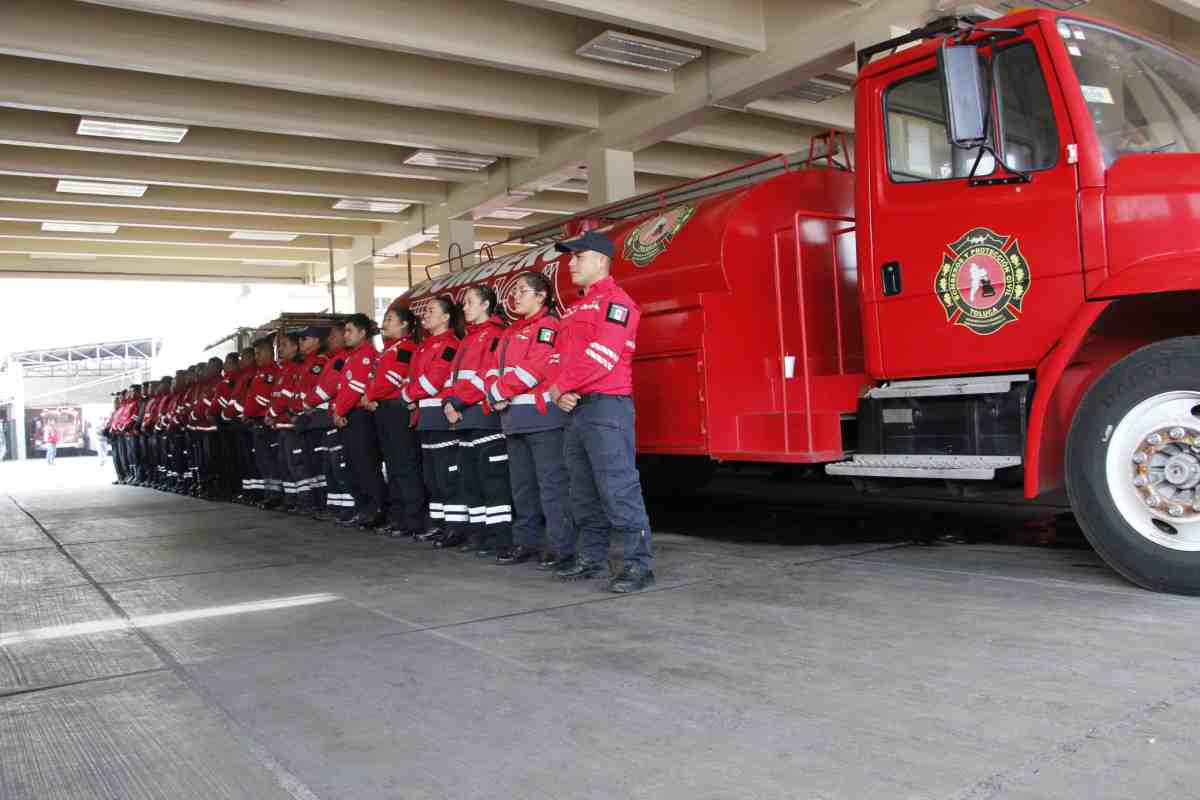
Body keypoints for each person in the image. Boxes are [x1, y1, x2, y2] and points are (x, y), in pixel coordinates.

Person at [547, 230, 655, 593]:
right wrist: (557, 391)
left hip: (607, 408)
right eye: (570, 257)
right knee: (583, 490)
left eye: (578, 256)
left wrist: (563, 387)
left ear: (600, 260)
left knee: (618, 488)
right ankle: (593, 560)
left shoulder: (617, 303)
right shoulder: (577, 307)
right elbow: (561, 358)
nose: (571, 263)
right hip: (577, 410)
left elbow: (602, 357)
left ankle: (638, 565)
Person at [485, 271, 574, 569]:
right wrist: (493, 390)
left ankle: (562, 548)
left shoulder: (548, 326)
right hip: (513, 419)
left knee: (552, 487)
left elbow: (536, 367)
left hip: (544, 419)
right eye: (515, 292)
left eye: (523, 291)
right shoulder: (510, 332)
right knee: (522, 487)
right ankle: (526, 543)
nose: (516, 297)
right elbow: (492, 367)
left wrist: (499, 390)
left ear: (541, 296)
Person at [438, 285, 511, 555]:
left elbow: (486, 376)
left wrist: (455, 402)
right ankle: (478, 535)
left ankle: (499, 539)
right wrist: (448, 402)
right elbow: (451, 379)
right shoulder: (468, 339)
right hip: (462, 419)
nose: (464, 308)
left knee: (492, 482)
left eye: (470, 302)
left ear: (485, 305)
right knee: (471, 482)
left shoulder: (495, 335)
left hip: (484, 419)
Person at [402, 296, 464, 541]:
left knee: (447, 475)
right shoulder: (424, 346)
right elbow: (411, 378)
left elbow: (434, 380)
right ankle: (438, 524)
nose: (425, 315)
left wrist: (407, 394)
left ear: (446, 317)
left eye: (430, 310)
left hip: (441, 417)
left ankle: (456, 527)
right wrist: (410, 393)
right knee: (432, 477)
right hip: (424, 417)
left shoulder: (450, 344)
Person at [365, 306, 426, 539]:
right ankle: (398, 517)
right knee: (392, 465)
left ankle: (413, 519)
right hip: (383, 410)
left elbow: (391, 379)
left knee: (404, 465)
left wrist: (370, 396)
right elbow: (374, 379)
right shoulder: (388, 350)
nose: (384, 324)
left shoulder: (406, 349)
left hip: (397, 410)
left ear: (404, 325)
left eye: (389, 319)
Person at [333, 313, 386, 529]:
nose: (345, 335)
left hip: (360, 417)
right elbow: (342, 389)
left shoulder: (366, 356)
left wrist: (339, 411)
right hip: (348, 416)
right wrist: (338, 411)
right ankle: (363, 508)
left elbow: (355, 389)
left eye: (349, 331)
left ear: (363, 333)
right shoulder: (352, 356)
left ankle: (378, 509)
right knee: (353, 466)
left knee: (366, 465)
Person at [308, 324, 356, 522]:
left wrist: (306, 403)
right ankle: (336, 506)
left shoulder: (342, 360)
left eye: (335, 335)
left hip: (340, 418)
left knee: (340, 465)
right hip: (330, 418)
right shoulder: (334, 359)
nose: (331, 340)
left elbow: (327, 388)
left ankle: (349, 507)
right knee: (330, 465)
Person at [291, 327, 330, 515]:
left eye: (304, 339)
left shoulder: (320, 363)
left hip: (315, 419)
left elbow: (318, 392)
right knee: (306, 462)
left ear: (316, 341)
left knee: (317, 462)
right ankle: (314, 502)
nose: (301, 343)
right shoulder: (306, 363)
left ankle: (322, 502)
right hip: (303, 419)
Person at [269, 332, 305, 512]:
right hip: (281, 426)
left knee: (296, 465)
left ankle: (303, 500)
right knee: (284, 465)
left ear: (295, 347)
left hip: (291, 426)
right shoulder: (283, 370)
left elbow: (286, 397)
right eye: (278, 346)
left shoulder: (295, 369)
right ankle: (291, 499)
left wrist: (272, 413)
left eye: (283, 345)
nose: (280, 349)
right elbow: (274, 397)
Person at [245, 336, 283, 508]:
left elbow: (262, 399)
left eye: (259, 353)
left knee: (270, 460)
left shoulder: (271, 372)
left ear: (269, 352)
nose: (256, 357)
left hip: (266, 422)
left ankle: (275, 495)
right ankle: (269, 493)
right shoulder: (259, 373)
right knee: (262, 461)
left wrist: (247, 412)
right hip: (257, 422)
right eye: (255, 354)